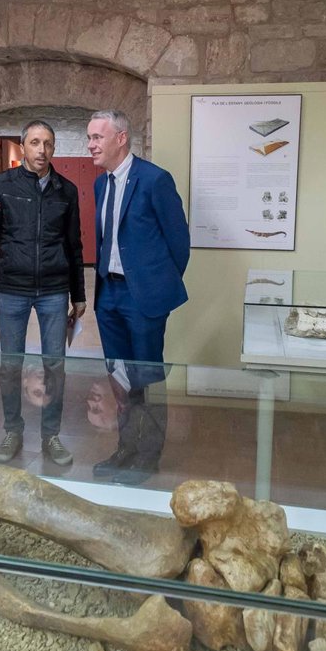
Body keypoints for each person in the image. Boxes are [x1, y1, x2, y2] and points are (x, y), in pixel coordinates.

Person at [0, 120, 85, 467]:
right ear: (23, 146)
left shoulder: (66, 190)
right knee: (10, 365)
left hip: (53, 290)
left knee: (55, 365)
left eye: (48, 143)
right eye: (35, 142)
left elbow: (74, 245)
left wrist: (78, 294)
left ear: (54, 148)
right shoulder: (2, 185)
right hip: (12, 289)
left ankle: (51, 435)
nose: (42, 150)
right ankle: (12, 430)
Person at [88, 109, 189, 485]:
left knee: (147, 378)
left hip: (142, 297)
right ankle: (126, 448)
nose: (91, 145)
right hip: (109, 294)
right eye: (89, 138)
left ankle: (149, 455)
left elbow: (179, 243)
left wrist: (154, 286)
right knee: (118, 377)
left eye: (97, 137)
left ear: (121, 138)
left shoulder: (154, 179)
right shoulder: (101, 185)